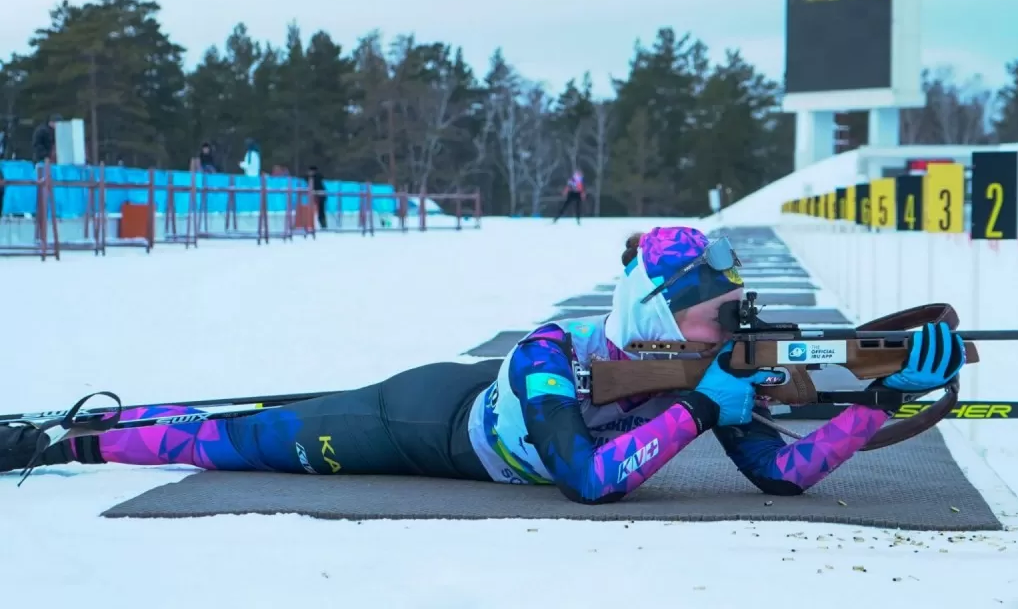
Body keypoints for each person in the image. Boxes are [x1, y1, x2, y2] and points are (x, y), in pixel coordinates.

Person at [0, 227, 967, 503]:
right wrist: (707, 410)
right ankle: (73, 441)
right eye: (723, 317)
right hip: (421, 428)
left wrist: (874, 405)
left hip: (463, 420)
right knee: (240, 438)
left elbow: (785, 473)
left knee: (253, 424)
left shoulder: (708, 374)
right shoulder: (554, 356)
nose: (735, 334)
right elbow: (587, 479)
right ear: (659, 314)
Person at [307, 165, 327, 230]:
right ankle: (323, 225)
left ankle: (323, 225)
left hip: (320, 195)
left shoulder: (315, 177)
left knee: (320, 211)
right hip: (320, 195)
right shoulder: (317, 177)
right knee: (321, 211)